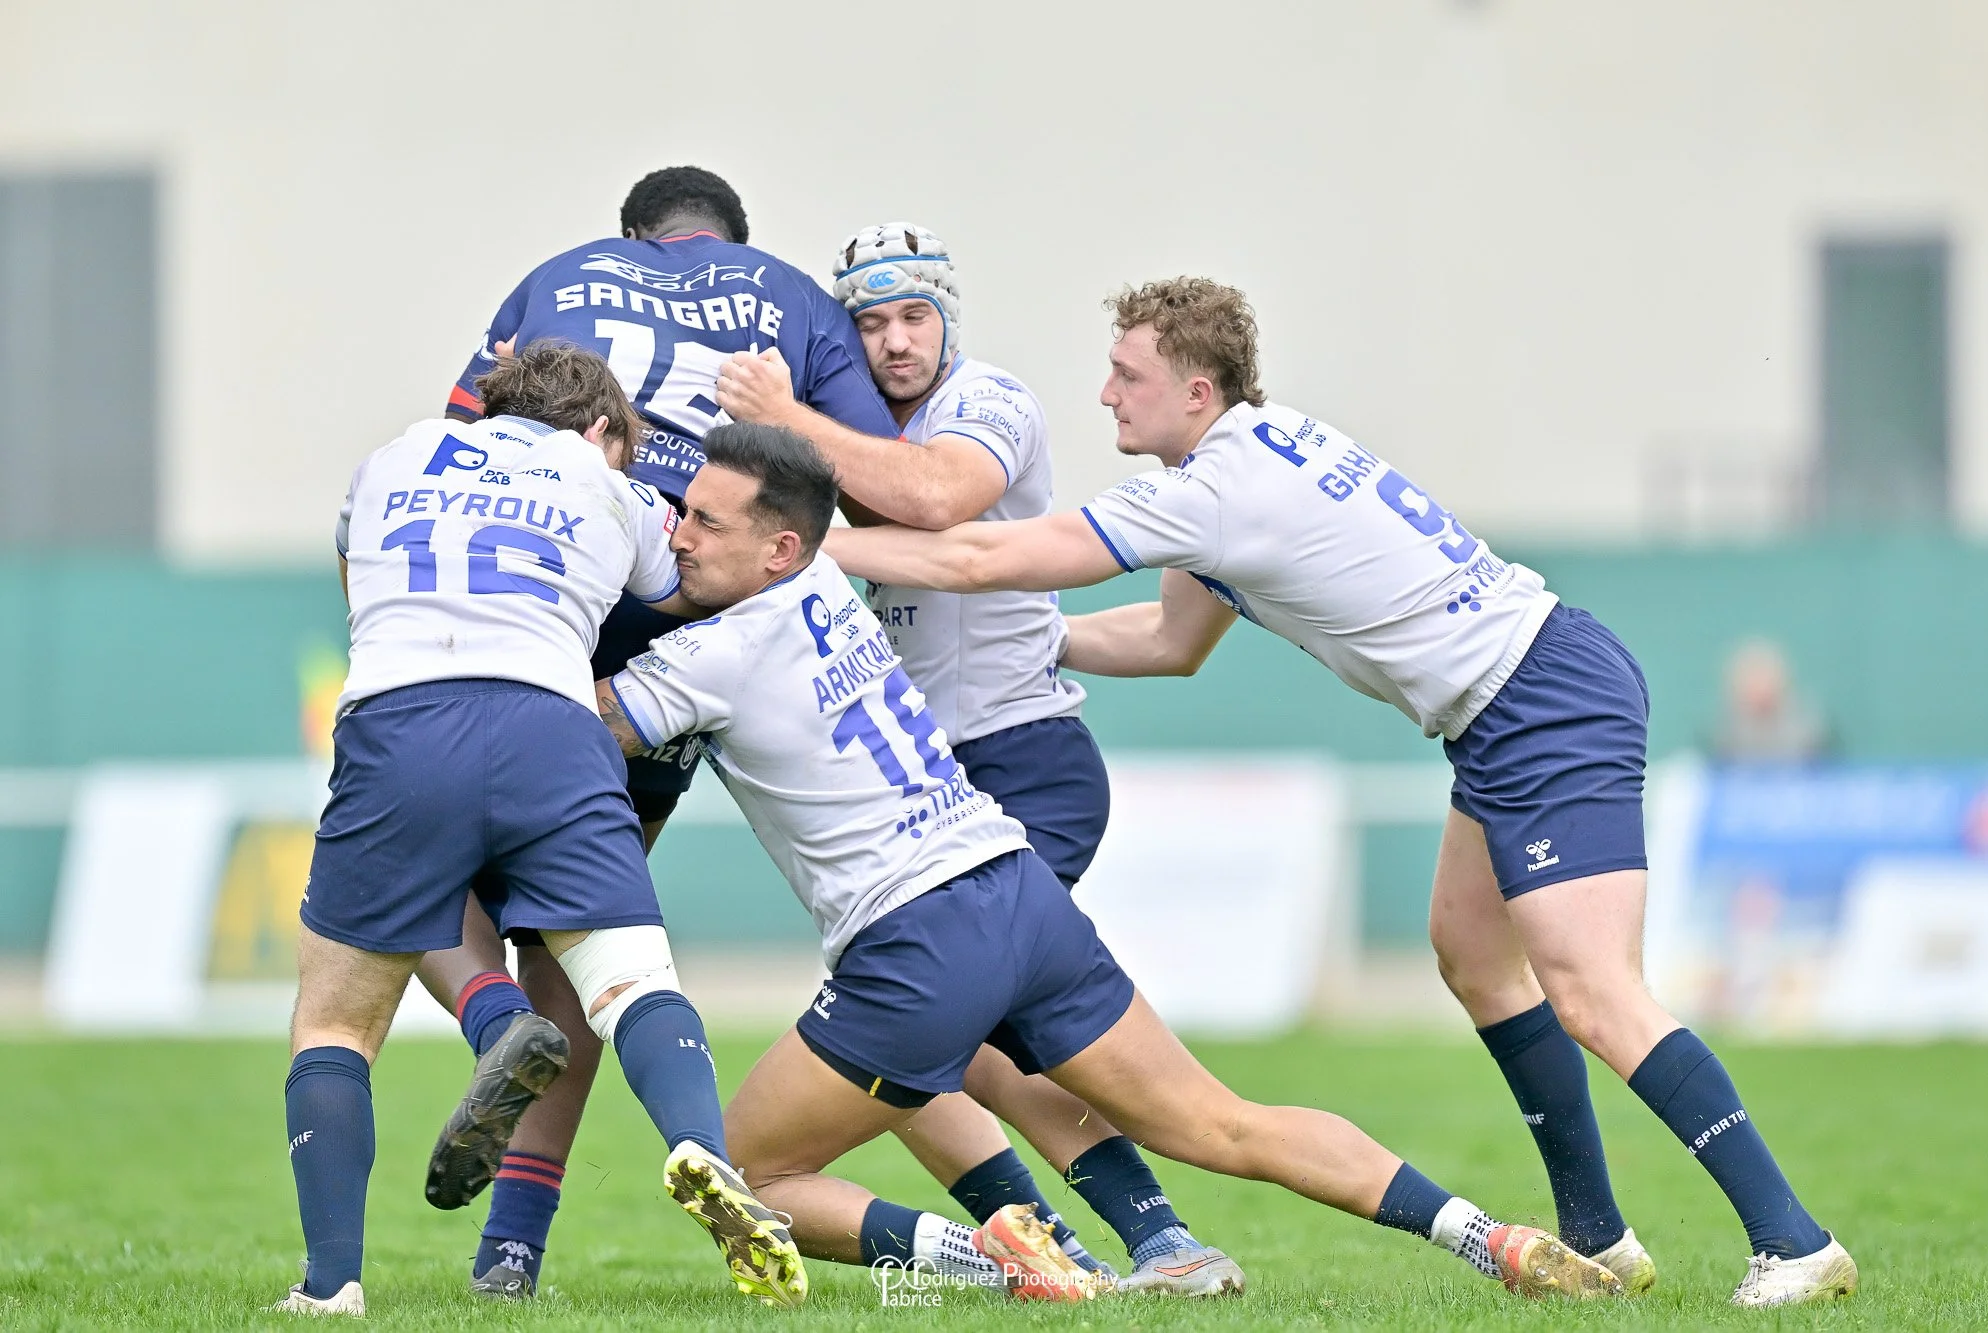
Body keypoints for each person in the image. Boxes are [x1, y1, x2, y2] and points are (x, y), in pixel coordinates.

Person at [820, 278, 1860, 1308]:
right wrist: (1027, 652)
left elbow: (970, 549)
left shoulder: (1212, 491)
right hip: (1509, 702)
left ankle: (1792, 1239)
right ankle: (1597, 1234)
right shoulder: (1249, 454)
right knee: (1473, 957)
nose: (1103, 395)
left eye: (1125, 373)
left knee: (1592, 991)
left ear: (1194, 388)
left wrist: (810, 547)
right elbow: (1171, 640)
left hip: (1538, 699)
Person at [595, 418, 1625, 1305]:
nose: (675, 536)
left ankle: (992, 1255)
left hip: (913, 939)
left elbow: (576, 736)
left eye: (700, 522)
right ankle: (1486, 1238)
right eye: (678, 513)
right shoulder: (822, 581)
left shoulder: (709, 656)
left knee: (744, 1172)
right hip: (1015, 894)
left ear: (779, 546)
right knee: (1224, 1123)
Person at [714, 222, 1241, 1295]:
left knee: (948, 1035)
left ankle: (1137, 1240)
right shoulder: (852, 432)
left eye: (914, 316)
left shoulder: (983, 400)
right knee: (936, 1045)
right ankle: (1093, 1246)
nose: (896, 341)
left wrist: (782, 423)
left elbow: (937, 499)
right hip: (933, 789)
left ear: (948, 318)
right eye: (870, 322)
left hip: (1024, 761)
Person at [409, 166, 900, 1298]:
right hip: (698, 598)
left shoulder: (557, 277)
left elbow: (465, 441)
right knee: (586, 943)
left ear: (634, 235)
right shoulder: (790, 299)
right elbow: (861, 484)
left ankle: (488, 1025)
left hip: (550, 596)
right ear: (733, 240)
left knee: (413, 869)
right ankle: (512, 1246)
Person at [276, 343, 805, 1315]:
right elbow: (682, 582)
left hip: (399, 719)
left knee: (334, 1020)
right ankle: (705, 1155)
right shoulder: (614, 488)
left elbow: (355, 577)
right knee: (630, 980)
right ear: (602, 430)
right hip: (554, 727)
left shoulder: (392, 456)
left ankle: (329, 1286)